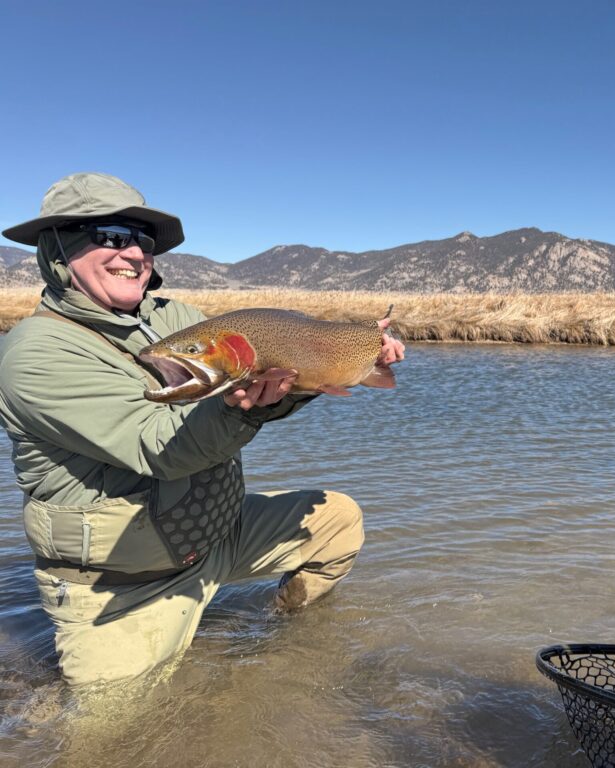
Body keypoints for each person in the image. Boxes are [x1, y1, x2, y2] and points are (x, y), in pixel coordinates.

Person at [0, 172, 405, 687]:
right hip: (124, 585)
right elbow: (157, 446)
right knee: (107, 739)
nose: (132, 255)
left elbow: (269, 375)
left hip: (217, 535)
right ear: (58, 250)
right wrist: (243, 411)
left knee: (338, 520)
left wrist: (336, 367)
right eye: (110, 236)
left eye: (142, 241)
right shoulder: (37, 354)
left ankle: (277, 631)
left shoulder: (174, 317)